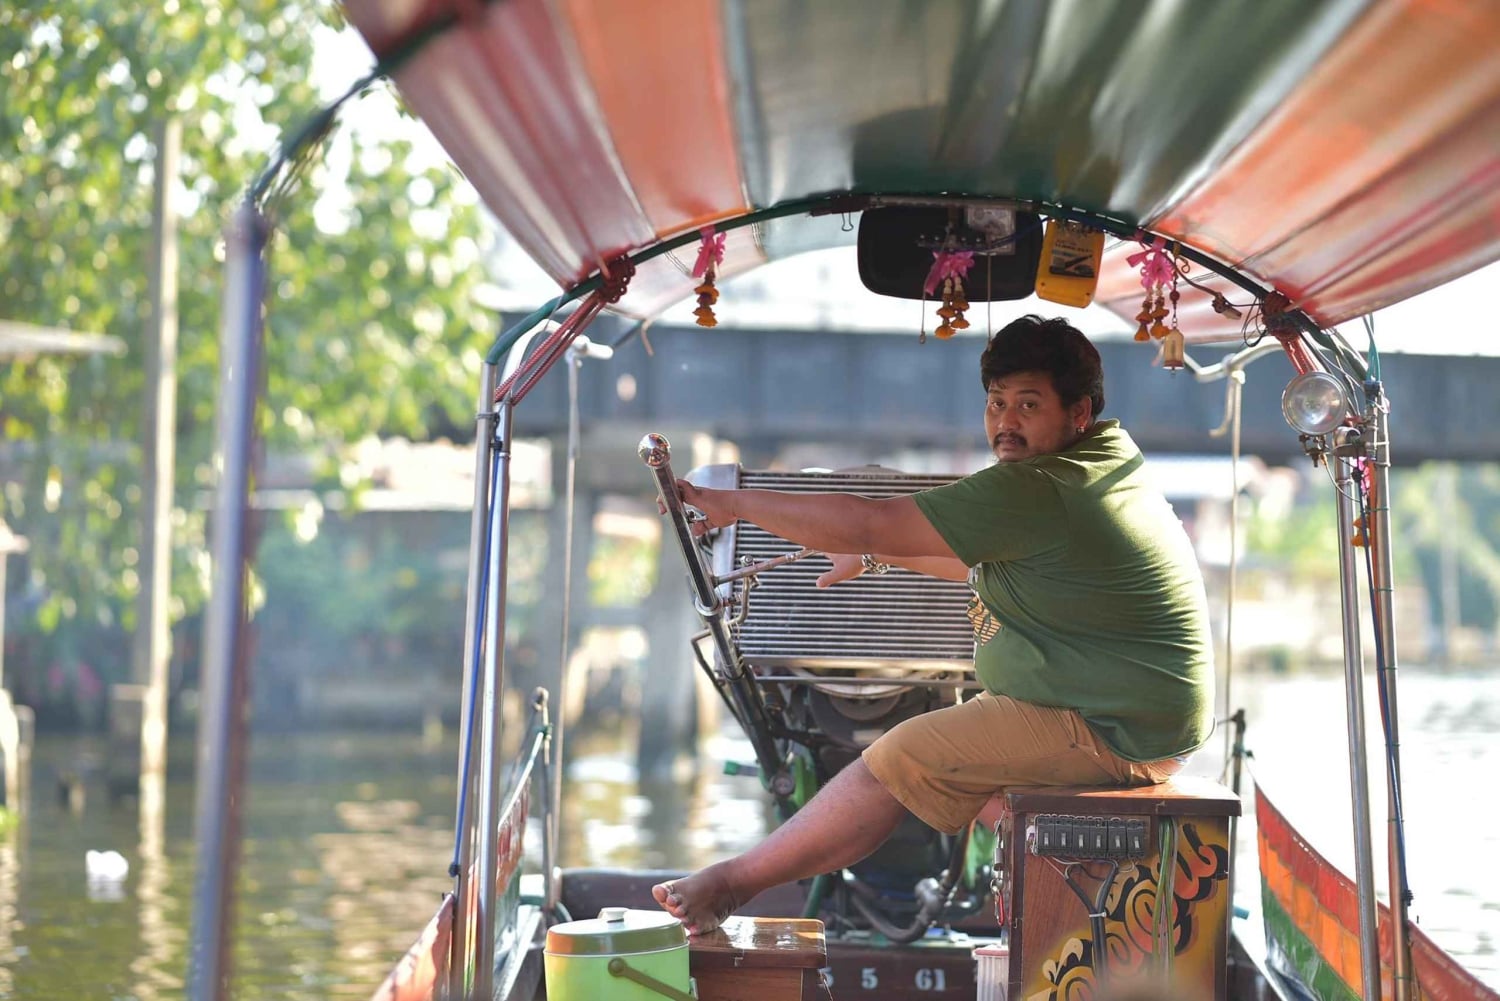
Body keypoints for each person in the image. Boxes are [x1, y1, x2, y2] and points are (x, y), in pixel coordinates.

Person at [653, 315, 1213, 935]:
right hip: (1140, 715)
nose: (1006, 422)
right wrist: (874, 555)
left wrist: (732, 505)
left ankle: (729, 886)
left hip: (1116, 729)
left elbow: (869, 520)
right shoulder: (1102, 460)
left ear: (1079, 412)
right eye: (997, 403)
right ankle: (1050, 903)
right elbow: (980, 561)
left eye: (1029, 405)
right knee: (963, 772)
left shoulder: (1039, 488)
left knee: (901, 755)